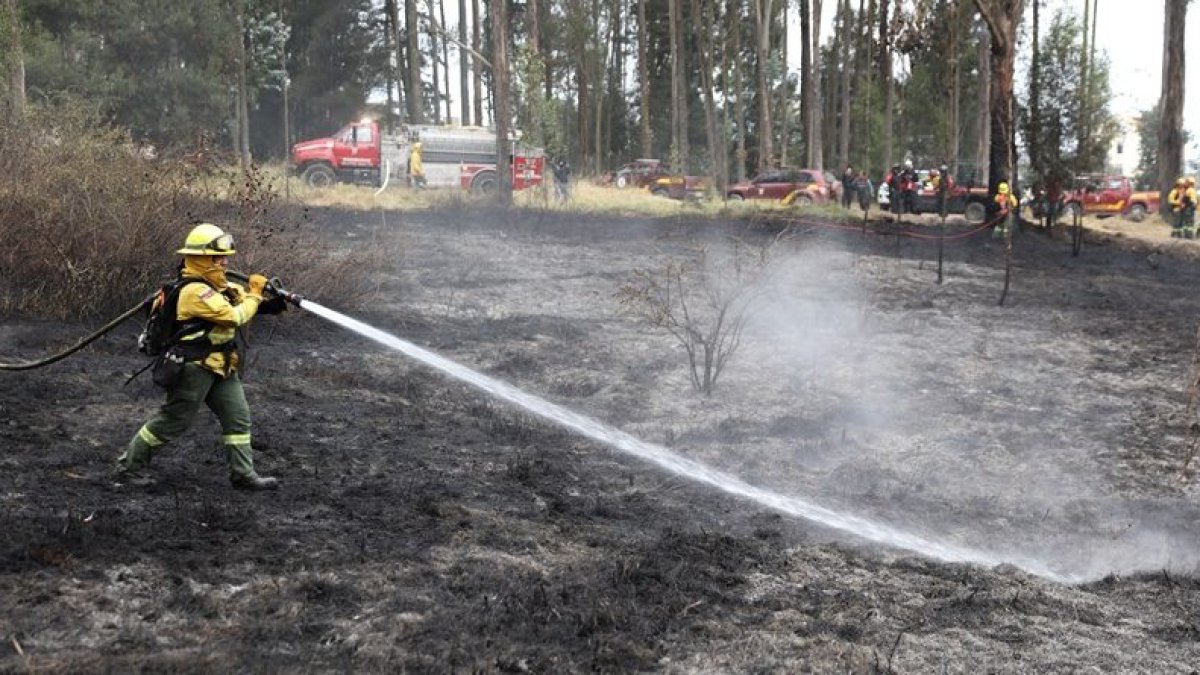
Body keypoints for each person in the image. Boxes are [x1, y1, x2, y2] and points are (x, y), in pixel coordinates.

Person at [116, 223, 285, 490]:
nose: (225, 262)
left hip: (221, 366)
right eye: (220, 258)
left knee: (238, 417)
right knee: (174, 420)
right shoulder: (194, 291)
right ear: (202, 259)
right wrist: (254, 295)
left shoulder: (218, 286)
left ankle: (243, 475)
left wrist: (271, 300)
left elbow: (242, 300)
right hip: (194, 368)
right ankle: (129, 468)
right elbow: (233, 316)